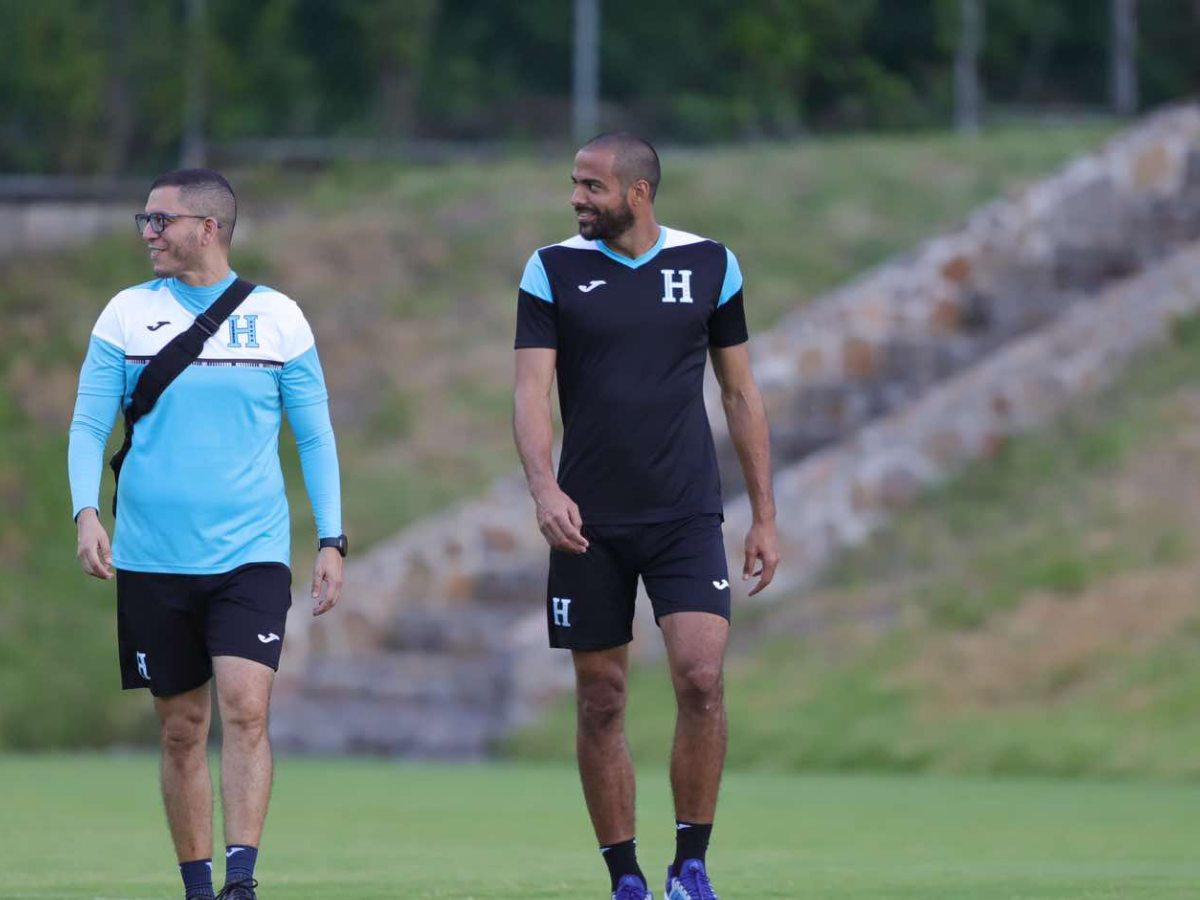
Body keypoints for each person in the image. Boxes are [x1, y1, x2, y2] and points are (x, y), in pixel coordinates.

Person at [512, 133, 780, 900]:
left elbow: (740, 393)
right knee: (602, 697)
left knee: (700, 677)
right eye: (574, 184)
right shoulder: (551, 269)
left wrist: (764, 513)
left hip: (685, 514)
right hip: (586, 522)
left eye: (590, 186)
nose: (575, 199)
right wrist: (543, 489)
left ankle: (690, 866)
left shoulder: (709, 265)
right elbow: (531, 392)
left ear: (637, 192)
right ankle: (625, 876)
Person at [68, 168, 347, 900]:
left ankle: (241, 882)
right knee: (182, 729)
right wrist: (86, 510)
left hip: (249, 553)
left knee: (246, 708)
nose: (149, 234)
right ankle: (197, 885)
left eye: (161, 221)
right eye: (147, 221)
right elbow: (89, 424)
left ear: (209, 228)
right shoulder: (124, 316)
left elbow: (314, 437)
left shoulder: (280, 317)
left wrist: (332, 538)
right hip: (152, 554)